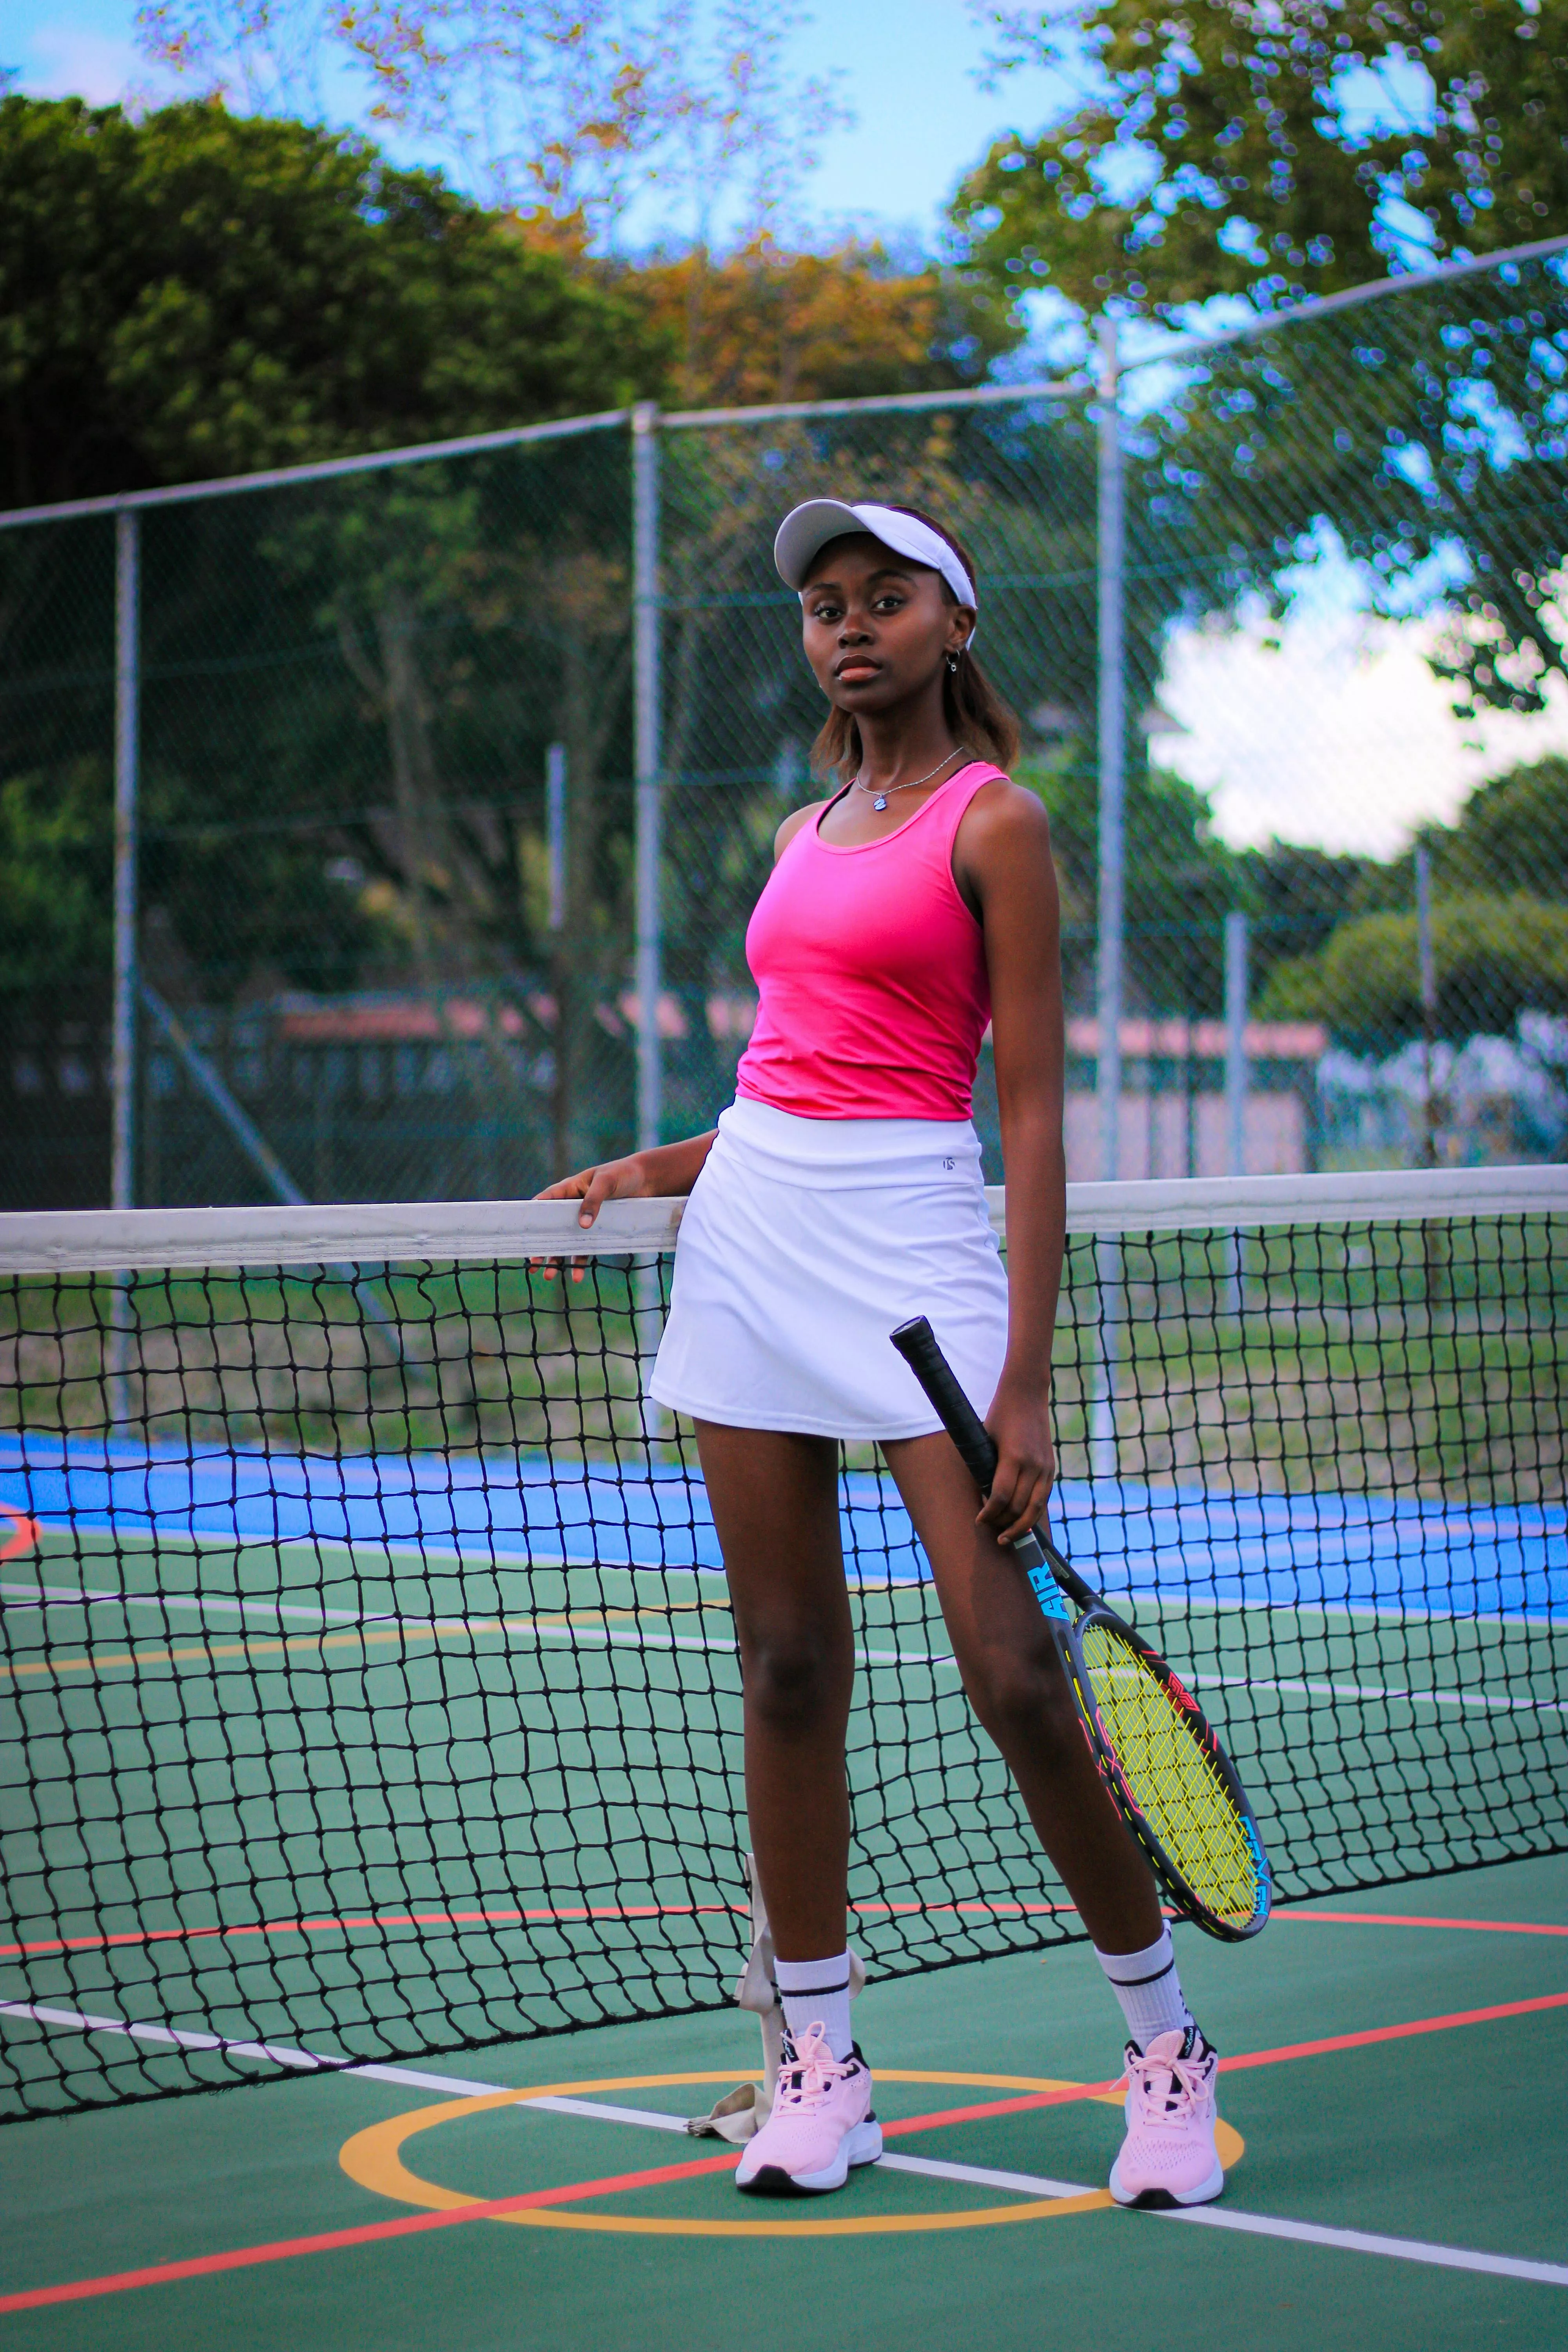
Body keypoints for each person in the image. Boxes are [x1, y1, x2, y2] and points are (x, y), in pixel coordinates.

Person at [539, 497, 1225, 2207]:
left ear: (953, 623)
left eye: (885, 597)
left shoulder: (1000, 823)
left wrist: (1031, 1377)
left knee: (1011, 1673)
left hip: (922, 1258)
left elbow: (1037, 1107)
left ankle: (1165, 2057)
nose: (849, 624)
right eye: (825, 605)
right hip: (753, 1250)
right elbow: (790, 1074)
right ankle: (822, 2071)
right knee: (784, 1668)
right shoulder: (803, 825)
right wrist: (658, 1168)